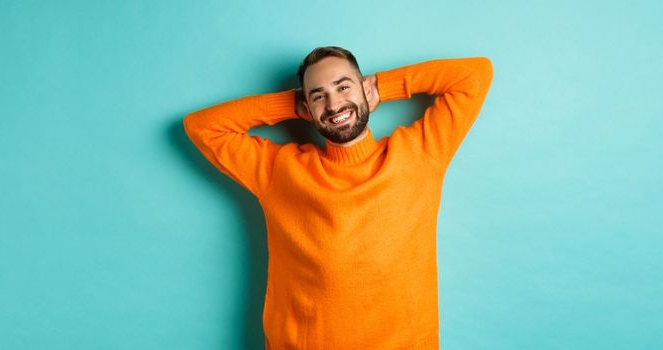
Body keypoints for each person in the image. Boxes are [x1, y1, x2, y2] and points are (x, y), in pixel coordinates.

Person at [184, 46, 493, 349]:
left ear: (364, 91)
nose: (334, 104)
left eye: (343, 87)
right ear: (307, 108)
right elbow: (202, 127)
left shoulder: (420, 153)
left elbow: (473, 75)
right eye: (319, 96)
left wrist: (383, 87)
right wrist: (293, 104)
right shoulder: (279, 171)